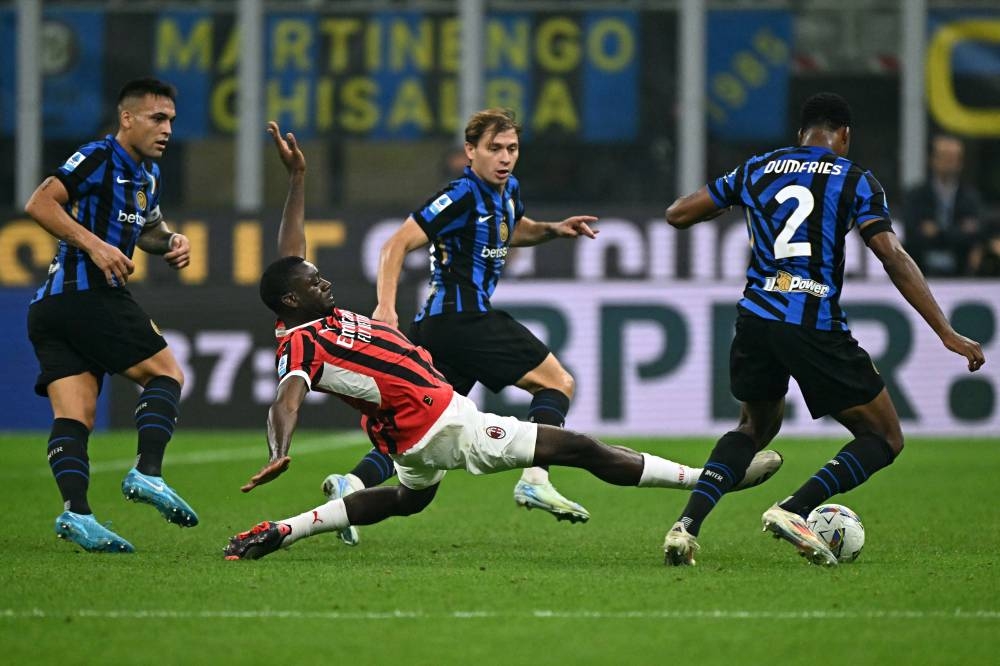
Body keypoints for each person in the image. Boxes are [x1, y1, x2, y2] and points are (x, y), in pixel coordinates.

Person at [221, 122, 783, 561]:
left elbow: (289, 256)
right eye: (498, 146)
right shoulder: (299, 344)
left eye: (514, 146)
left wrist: (296, 181)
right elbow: (287, 396)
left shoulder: (305, 309)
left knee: (407, 498)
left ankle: (286, 529)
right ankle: (708, 479)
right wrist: (279, 450)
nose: (322, 280)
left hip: (412, 430)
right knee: (579, 444)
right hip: (443, 417)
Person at [661, 93, 985, 567]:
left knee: (754, 426)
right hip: (812, 321)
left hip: (755, 318)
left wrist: (733, 203)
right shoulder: (856, 179)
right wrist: (945, 331)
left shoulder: (759, 168)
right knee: (885, 437)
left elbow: (678, 213)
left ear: (801, 134)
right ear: (845, 135)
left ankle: (685, 527)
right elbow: (891, 255)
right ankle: (793, 509)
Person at [317, 108, 604, 545]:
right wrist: (386, 307)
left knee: (423, 429)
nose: (505, 158)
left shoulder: (508, 192)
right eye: (494, 149)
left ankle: (351, 485)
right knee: (557, 383)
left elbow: (513, 229)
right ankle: (535, 476)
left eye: (512, 149)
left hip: (443, 330)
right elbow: (395, 244)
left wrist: (553, 230)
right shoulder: (460, 195)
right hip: (459, 319)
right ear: (470, 151)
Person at [25, 77, 199, 554]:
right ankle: (147, 472)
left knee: (74, 415)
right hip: (87, 295)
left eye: (171, 121)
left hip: (52, 309)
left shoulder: (147, 176)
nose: (167, 130)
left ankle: (76, 514)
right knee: (166, 373)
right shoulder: (100, 156)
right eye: (156, 119)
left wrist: (171, 241)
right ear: (127, 118)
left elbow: (148, 230)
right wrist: (97, 245)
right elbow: (40, 202)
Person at [901, 134, 983, 277]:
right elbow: (912, 236)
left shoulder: (970, 197)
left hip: (961, 272)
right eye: (945, 156)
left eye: (955, 157)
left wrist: (937, 232)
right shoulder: (916, 195)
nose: (950, 162)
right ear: (932, 159)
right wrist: (958, 231)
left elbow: (975, 235)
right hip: (920, 272)